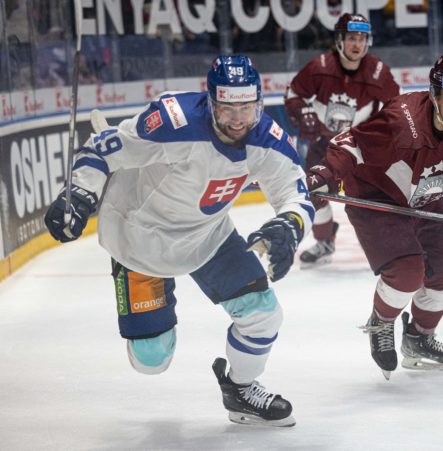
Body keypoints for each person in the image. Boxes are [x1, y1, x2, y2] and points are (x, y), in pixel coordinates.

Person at [43, 55, 314, 427]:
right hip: (140, 240)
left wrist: (290, 224)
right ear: (211, 102)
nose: (238, 119)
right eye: (227, 108)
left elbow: (295, 194)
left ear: (259, 102)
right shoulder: (174, 122)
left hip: (208, 236)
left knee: (264, 315)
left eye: (247, 108)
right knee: (151, 359)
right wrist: (80, 191)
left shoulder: (266, 138)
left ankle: (240, 388)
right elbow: (103, 147)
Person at [305, 54, 443, 379]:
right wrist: (326, 171)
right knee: (407, 272)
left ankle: (420, 340)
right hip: (376, 195)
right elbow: (352, 143)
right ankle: (381, 322)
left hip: (427, 199)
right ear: (434, 95)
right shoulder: (403, 120)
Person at [284, 12, 400, 267]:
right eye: (351, 38)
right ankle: (325, 241)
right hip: (325, 146)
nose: (357, 44)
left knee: (379, 197)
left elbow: (397, 108)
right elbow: (294, 93)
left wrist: (383, 134)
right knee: (315, 193)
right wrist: (303, 112)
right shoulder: (320, 68)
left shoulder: (378, 72)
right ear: (339, 40)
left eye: (362, 38)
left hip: (361, 148)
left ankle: (394, 245)